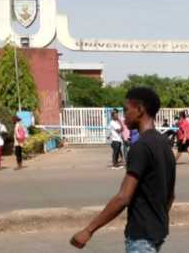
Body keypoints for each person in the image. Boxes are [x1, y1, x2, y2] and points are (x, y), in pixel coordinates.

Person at [70, 87, 176, 252]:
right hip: (157, 233)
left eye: (126, 110)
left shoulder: (140, 147)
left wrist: (88, 230)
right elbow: (170, 195)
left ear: (139, 110)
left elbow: (123, 197)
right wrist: (160, 220)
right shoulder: (164, 144)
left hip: (141, 238)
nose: (123, 115)